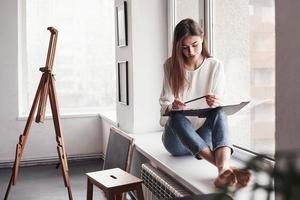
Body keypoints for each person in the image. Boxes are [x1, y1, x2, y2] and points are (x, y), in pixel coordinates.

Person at [159, 18, 250, 188]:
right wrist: (172, 106)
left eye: (195, 44)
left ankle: (223, 171)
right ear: (178, 46)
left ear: (203, 38)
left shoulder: (215, 66)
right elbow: (165, 106)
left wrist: (216, 101)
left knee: (219, 112)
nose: (191, 52)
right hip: (176, 141)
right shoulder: (170, 65)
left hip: (203, 139)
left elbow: (221, 101)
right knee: (176, 117)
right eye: (184, 47)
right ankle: (224, 166)